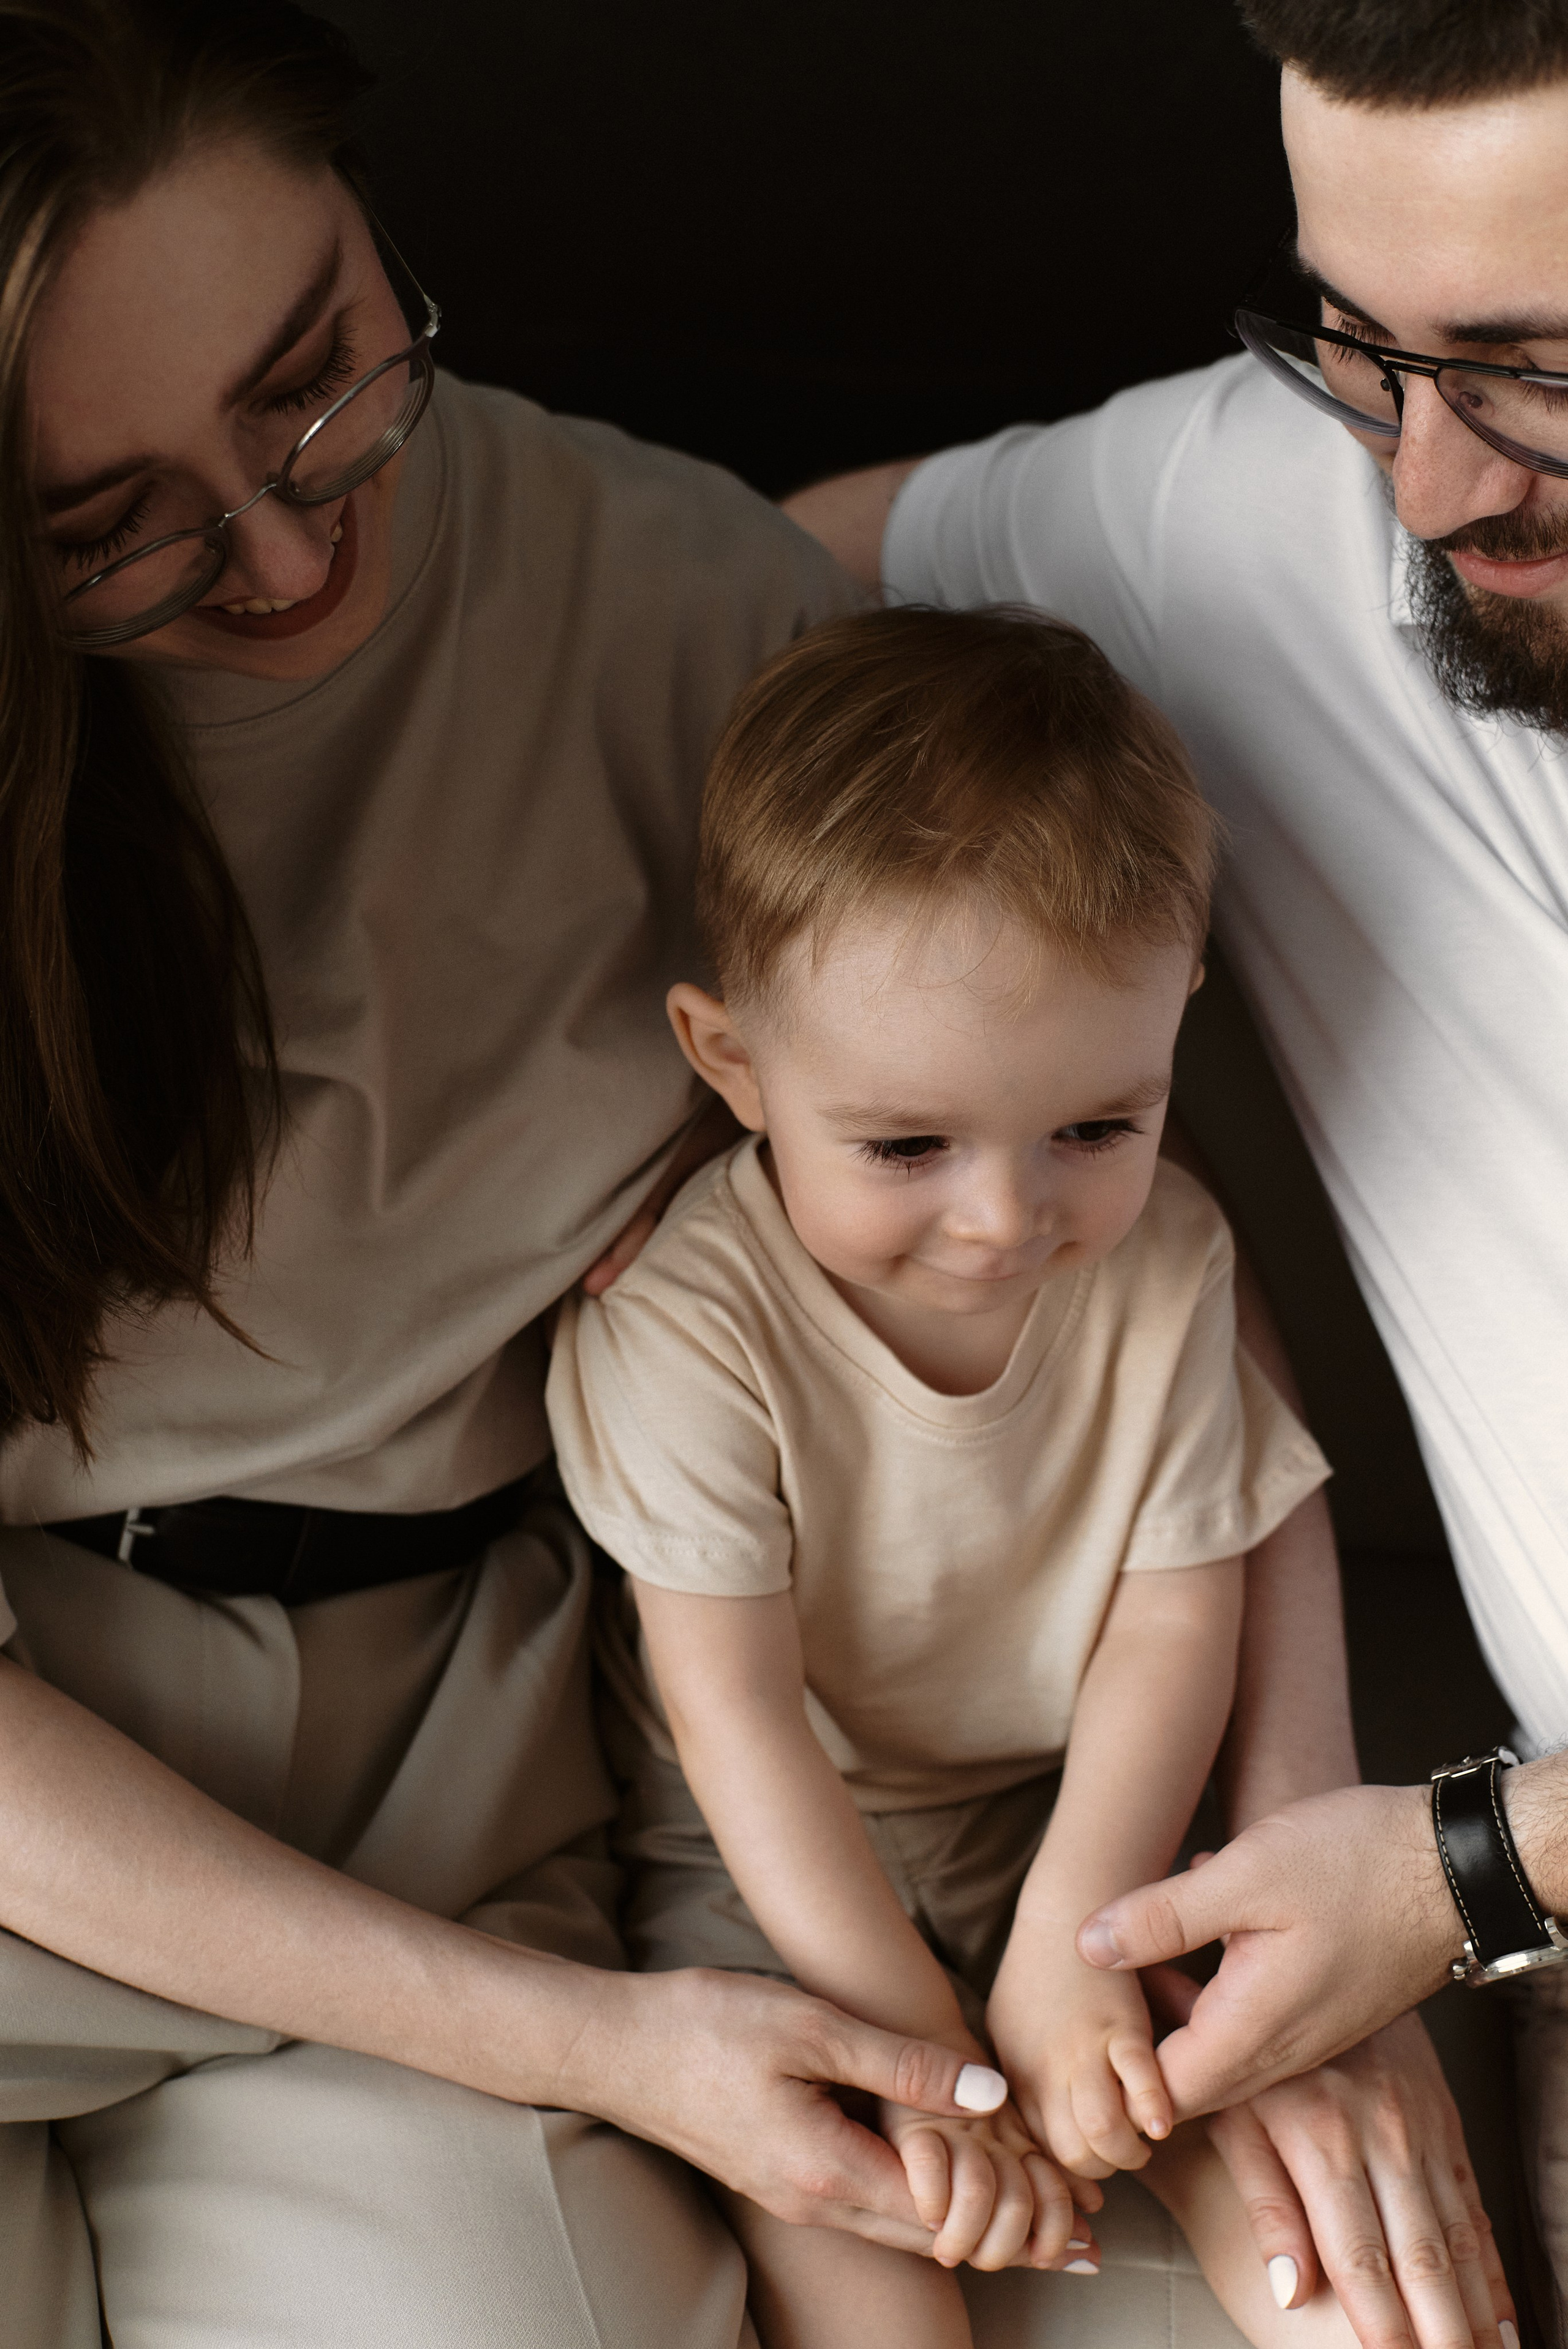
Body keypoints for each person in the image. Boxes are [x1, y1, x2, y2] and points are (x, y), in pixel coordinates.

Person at [0, 2, 1057, 2341]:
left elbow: (1075, 1214)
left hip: (451, 1748)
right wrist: (608, 2054)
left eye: (321, 377)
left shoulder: (691, 615)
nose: (283, 553)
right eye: (113, 528)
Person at [782, 0, 1568, 2339]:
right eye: (1358, 340)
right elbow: (741, 608)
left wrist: (1452, 1873)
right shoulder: (1298, 508)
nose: (1427, 488)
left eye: (1535, 365)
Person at [546, 603, 1362, 2348]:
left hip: (1068, 1815)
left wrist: (1077, 1940)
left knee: (1255, 2169)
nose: (1007, 1220)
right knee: (879, 2255)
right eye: (906, 1144)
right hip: (763, 1863)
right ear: (732, 1063)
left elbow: (1170, 1622)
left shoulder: (1172, 1268)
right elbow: (737, 1714)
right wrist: (923, 2055)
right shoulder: (693, 1321)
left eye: (1096, 1124)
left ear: (1176, 1022)